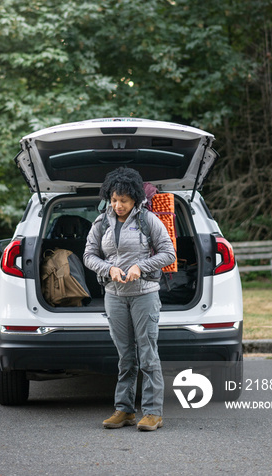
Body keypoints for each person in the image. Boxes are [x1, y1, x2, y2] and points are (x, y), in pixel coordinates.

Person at [83, 167, 176, 431]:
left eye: (123, 200)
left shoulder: (148, 220)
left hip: (144, 295)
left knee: (147, 354)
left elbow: (169, 253)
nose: (118, 204)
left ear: (135, 198)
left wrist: (141, 266)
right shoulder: (101, 222)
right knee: (125, 356)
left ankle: (153, 413)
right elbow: (89, 255)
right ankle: (124, 410)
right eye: (114, 199)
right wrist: (108, 268)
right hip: (114, 296)